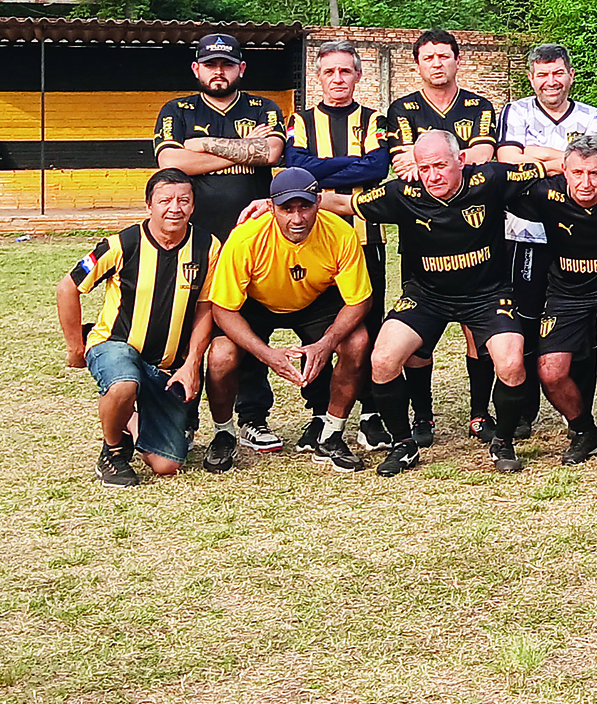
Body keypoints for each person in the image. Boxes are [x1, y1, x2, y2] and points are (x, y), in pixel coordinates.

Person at [352, 131, 540, 477]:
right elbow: (347, 205)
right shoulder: (402, 192)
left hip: (487, 294)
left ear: (461, 161)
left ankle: (502, 441)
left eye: (440, 165)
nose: (433, 176)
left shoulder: (490, 178)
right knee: (382, 359)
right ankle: (403, 445)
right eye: (425, 168)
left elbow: (542, 169)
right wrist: (275, 204)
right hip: (427, 295)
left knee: (511, 363)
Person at [153, 31, 288, 453]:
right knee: (186, 325)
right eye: (210, 64)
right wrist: (244, 148)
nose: (218, 71)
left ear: (240, 69)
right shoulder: (177, 110)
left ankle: (251, 417)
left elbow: (271, 155)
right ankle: (184, 415)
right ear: (196, 69)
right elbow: (172, 161)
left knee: (249, 326)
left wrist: (205, 149)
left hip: (251, 240)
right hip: (193, 241)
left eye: (227, 64)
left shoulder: (264, 107)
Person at [57, 169, 232, 485]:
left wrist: (192, 364)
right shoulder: (121, 244)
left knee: (167, 465)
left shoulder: (208, 247)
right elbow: (67, 288)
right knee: (124, 383)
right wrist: (75, 348)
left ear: (193, 206)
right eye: (165, 200)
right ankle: (112, 452)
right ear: (149, 205)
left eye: (184, 200)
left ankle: (130, 420)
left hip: (165, 366)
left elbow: (205, 309)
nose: (174, 208)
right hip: (115, 344)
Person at [207, 169, 375, 473]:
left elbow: (359, 301)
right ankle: (224, 433)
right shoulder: (245, 238)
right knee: (220, 355)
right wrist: (267, 355)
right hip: (256, 302)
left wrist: (326, 343)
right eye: (287, 209)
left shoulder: (340, 233)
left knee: (358, 342)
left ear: (318, 204)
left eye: (305, 207)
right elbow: (222, 309)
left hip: (314, 298)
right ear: (271, 208)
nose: (297, 218)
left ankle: (331, 434)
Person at [382, 30, 500, 447]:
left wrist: (439, 166)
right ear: (417, 65)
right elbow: (402, 164)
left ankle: (479, 414)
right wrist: (445, 165)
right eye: (428, 57)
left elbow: (484, 155)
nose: (437, 63)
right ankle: (423, 416)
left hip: (474, 224)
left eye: (444, 56)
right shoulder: (402, 108)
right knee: (419, 337)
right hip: (422, 229)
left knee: (476, 331)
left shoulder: (479, 105)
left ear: (457, 61)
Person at [283, 39, 394, 453]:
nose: (337, 79)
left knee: (370, 326)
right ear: (318, 77)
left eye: (345, 71)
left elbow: (378, 166)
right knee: (321, 325)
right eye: (329, 72)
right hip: (314, 242)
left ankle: (371, 414)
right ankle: (319, 414)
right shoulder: (300, 120)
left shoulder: (374, 119)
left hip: (365, 239)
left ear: (358, 76)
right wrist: (348, 165)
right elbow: (295, 168)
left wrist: (319, 171)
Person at [509, 135, 597, 468]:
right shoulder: (544, 192)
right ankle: (584, 429)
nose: (586, 182)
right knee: (551, 372)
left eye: (595, 173)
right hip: (566, 291)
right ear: (564, 171)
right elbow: (497, 178)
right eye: (577, 173)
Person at [497, 44, 597, 442]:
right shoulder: (516, 111)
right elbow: (509, 159)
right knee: (524, 320)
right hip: (525, 232)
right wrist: (567, 157)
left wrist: (537, 154)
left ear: (570, 75)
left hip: (577, 233)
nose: (550, 81)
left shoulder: (591, 115)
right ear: (532, 78)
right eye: (542, 75)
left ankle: (579, 410)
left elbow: (595, 165)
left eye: (557, 73)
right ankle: (524, 410)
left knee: (580, 324)